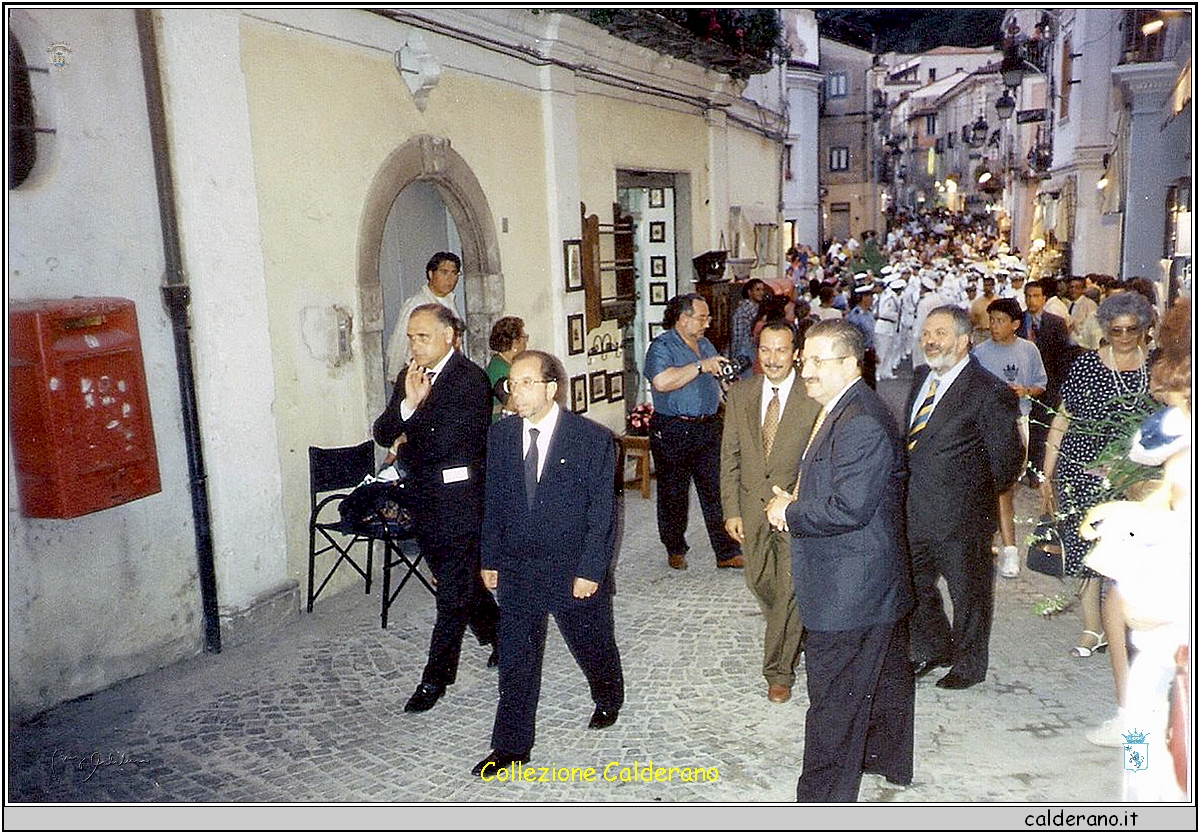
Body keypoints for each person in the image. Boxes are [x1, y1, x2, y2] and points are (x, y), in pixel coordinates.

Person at [764, 319, 914, 802]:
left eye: (816, 361)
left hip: (853, 586)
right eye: (804, 360)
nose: (804, 369)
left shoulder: (860, 421)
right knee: (883, 677)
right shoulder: (844, 406)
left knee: (834, 696)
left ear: (851, 363)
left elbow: (849, 508)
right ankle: (884, 759)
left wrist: (789, 509)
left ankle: (822, 799)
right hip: (869, 577)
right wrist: (803, 494)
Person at [471, 350, 624, 776]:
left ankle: (608, 695)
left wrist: (591, 571)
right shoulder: (500, 437)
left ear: (550, 388)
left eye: (524, 382)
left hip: (573, 569)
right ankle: (510, 748)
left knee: (592, 646)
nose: (514, 391)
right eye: (511, 384)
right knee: (517, 661)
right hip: (519, 569)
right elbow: (494, 504)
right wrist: (490, 557)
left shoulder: (591, 440)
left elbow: (601, 515)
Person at [1039, 292, 1157, 744]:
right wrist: (1047, 471)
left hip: (1139, 480)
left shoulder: (1161, 369)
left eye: (1132, 329)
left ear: (1145, 328)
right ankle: (1094, 628)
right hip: (1084, 473)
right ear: (1103, 329)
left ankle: (1130, 637)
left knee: (1126, 570)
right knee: (1093, 558)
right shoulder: (1087, 366)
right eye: (1116, 329)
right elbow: (1063, 419)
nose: (1124, 337)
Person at [372, 304, 499, 713]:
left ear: (450, 337)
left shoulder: (471, 380)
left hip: (462, 500)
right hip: (423, 496)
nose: (414, 344)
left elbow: (449, 442)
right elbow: (382, 431)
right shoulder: (408, 376)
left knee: (451, 591)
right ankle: (502, 634)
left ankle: (435, 679)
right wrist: (408, 407)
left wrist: (410, 429)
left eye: (422, 336)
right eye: (410, 337)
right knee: (459, 581)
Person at [905, 306, 1023, 690]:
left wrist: (977, 499)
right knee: (912, 585)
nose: (930, 340)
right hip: (915, 511)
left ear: (963, 340)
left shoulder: (989, 390)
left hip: (962, 520)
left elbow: (1008, 458)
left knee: (968, 594)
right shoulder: (922, 378)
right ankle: (933, 646)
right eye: (926, 333)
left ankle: (969, 665)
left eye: (939, 333)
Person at [720, 323, 821, 704]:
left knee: (789, 586)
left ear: (795, 352)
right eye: (766, 350)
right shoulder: (741, 393)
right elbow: (729, 456)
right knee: (760, 582)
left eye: (781, 350)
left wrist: (801, 502)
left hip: (795, 510)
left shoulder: (812, 396)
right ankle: (800, 629)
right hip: (751, 509)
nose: (773, 358)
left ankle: (779, 672)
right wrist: (731, 509)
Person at [644, 294, 743, 571]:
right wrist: (701, 366)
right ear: (682, 318)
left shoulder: (705, 344)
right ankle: (674, 547)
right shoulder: (661, 346)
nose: (707, 324)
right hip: (674, 428)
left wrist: (726, 382)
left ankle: (726, 551)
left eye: (708, 318)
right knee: (674, 493)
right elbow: (662, 382)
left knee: (716, 489)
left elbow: (716, 378)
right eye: (702, 318)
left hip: (708, 426)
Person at [972, 297, 1047, 578]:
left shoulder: (1028, 351)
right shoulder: (979, 353)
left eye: (1000, 321)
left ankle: (1010, 549)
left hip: (1016, 423)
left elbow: (1041, 384)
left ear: (1015, 324)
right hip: (984, 425)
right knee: (981, 486)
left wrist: (1025, 390)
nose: (994, 326)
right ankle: (984, 544)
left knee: (1005, 488)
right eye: (992, 320)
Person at [1019, 279, 1075, 487]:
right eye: (1028, 296)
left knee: (1041, 430)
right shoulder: (1018, 323)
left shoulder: (1055, 323)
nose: (1032, 300)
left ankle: (1037, 471)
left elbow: (1063, 356)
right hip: (1022, 385)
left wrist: (1059, 386)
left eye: (1036, 296)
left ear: (1044, 299)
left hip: (1048, 386)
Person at [385, 252, 462, 379]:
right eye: (444, 272)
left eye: (454, 273)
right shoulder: (417, 304)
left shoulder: (450, 302)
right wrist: (395, 377)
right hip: (423, 375)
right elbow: (399, 344)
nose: (450, 279)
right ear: (431, 274)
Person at [485, 316, 527, 423]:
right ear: (515, 344)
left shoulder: (498, 363)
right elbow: (514, 404)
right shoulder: (501, 370)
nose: (525, 343)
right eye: (524, 338)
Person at [730, 279, 767, 381]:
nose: (761, 293)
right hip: (745, 352)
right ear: (749, 292)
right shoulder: (742, 311)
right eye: (757, 290)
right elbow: (738, 337)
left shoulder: (760, 309)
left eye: (762, 290)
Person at [845, 284, 878, 388]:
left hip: (870, 353)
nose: (872, 299)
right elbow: (853, 338)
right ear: (863, 298)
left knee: (871, 384)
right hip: (861, 354)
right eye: (870, 296)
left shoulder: (868, 314)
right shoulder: (855, 316)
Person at [874, 277, 905, 380]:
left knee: (889, 351)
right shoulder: (889, 298)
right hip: (884, 325)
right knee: (881, 351)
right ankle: (877, 372)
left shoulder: (892, 297)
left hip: (891, 327)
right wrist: (896, 316)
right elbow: (884, 313)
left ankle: (887, 371)